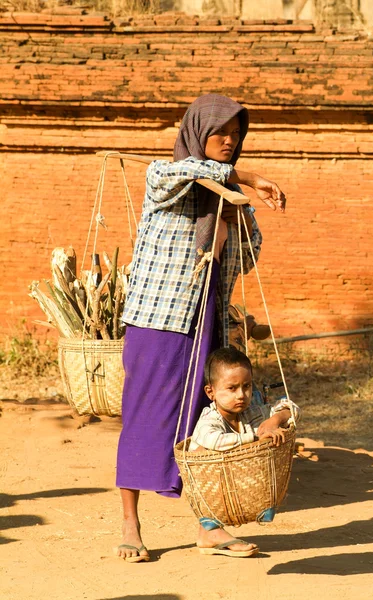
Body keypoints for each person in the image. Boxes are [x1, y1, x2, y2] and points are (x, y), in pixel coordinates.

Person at [115, 93, 287, 562]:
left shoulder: (227, 198)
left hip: (206, 320)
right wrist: (250, 178)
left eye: (236, 134)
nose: (229, 141)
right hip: (159, 322)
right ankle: (131, 523)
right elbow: (185, 171)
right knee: (146, 418)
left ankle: (208, 527)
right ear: (196, 131)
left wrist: (239, 216)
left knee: (204, 424)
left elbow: (249, 255)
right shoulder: (165, 179)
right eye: (220, 132)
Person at [189, 347, 300, 557]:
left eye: (247, 386)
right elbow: (215, 440)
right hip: (213, 486)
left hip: (244, 484)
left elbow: (292, 408)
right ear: (210, 392)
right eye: (231, 388)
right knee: (209, 451)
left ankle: (209, 534)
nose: (241, 395)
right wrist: (256, 437)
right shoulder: (209, 419)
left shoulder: (253, 412)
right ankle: (210, 530)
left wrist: (273, 420)